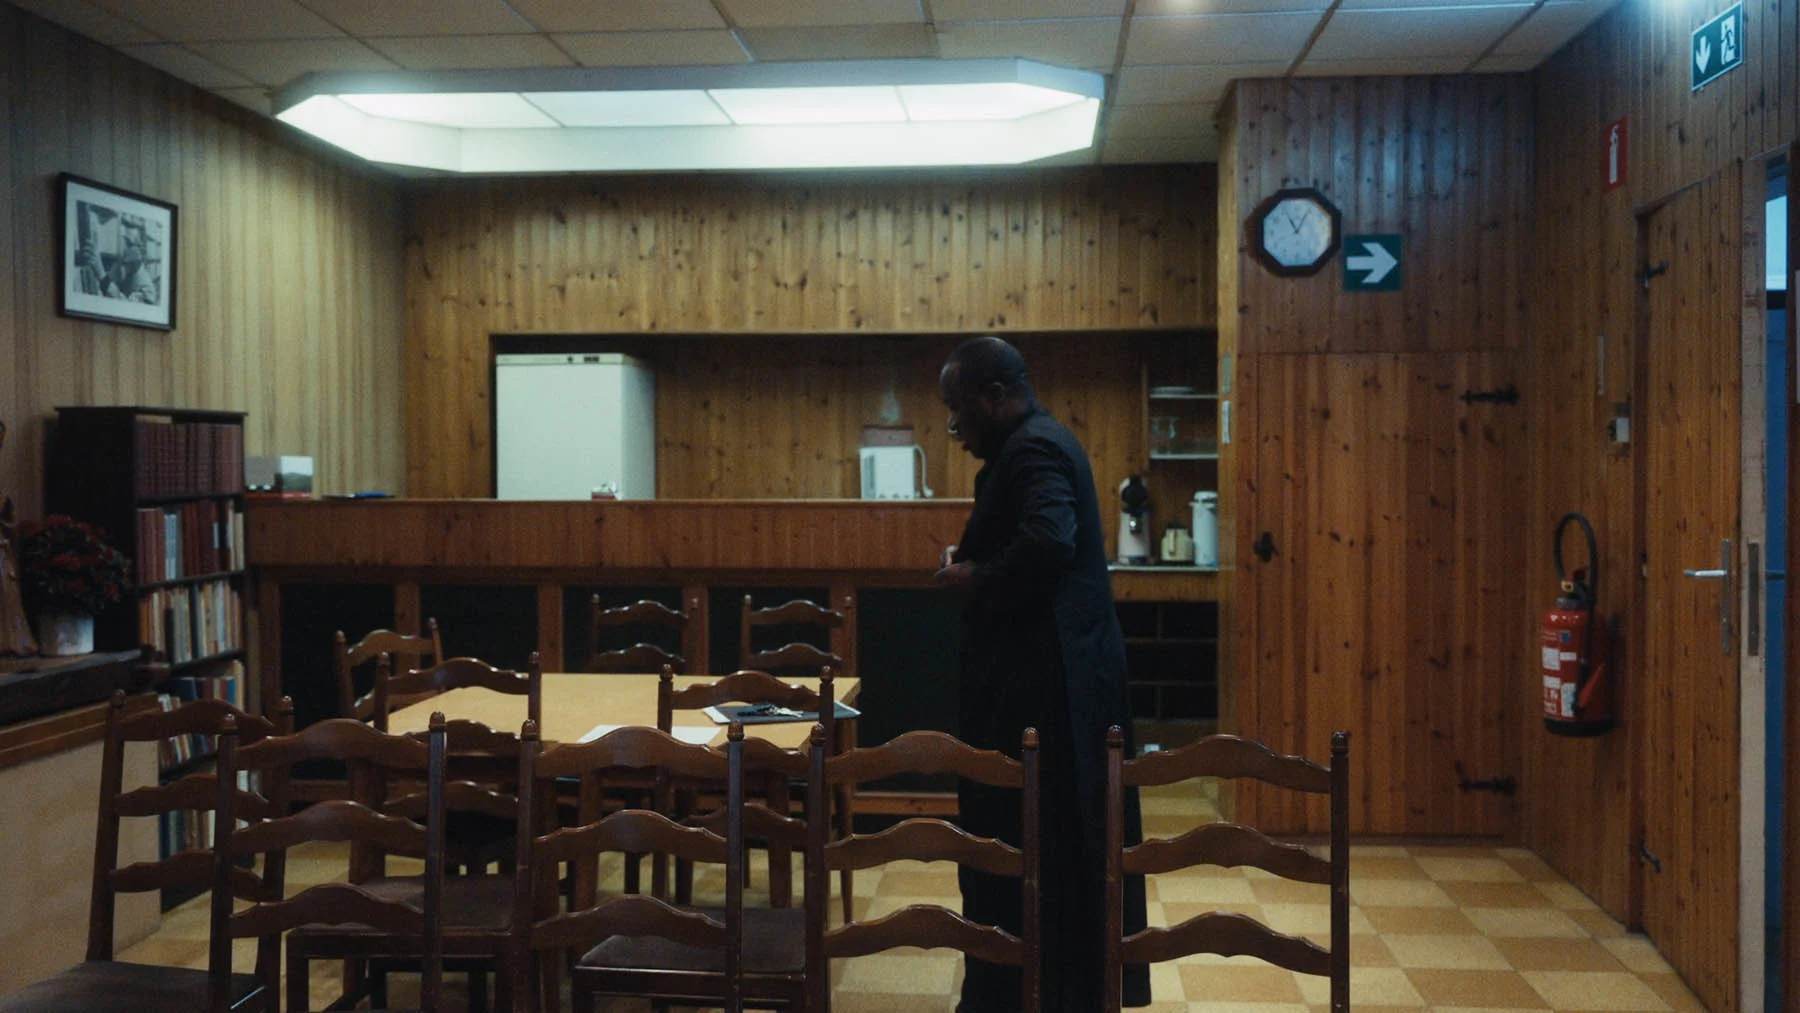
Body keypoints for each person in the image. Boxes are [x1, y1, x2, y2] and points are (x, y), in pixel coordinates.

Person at [934, 336, 1150, 1011]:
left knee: (1036, 848)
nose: (954, 427)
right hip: (1059, 686)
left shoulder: (1031, 450)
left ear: (995, 396)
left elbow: (1051, 540)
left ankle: (1028, 992)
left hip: (1048, 699)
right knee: (1058, 851)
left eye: (958, 409)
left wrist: (976, 576)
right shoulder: (1040, 442)